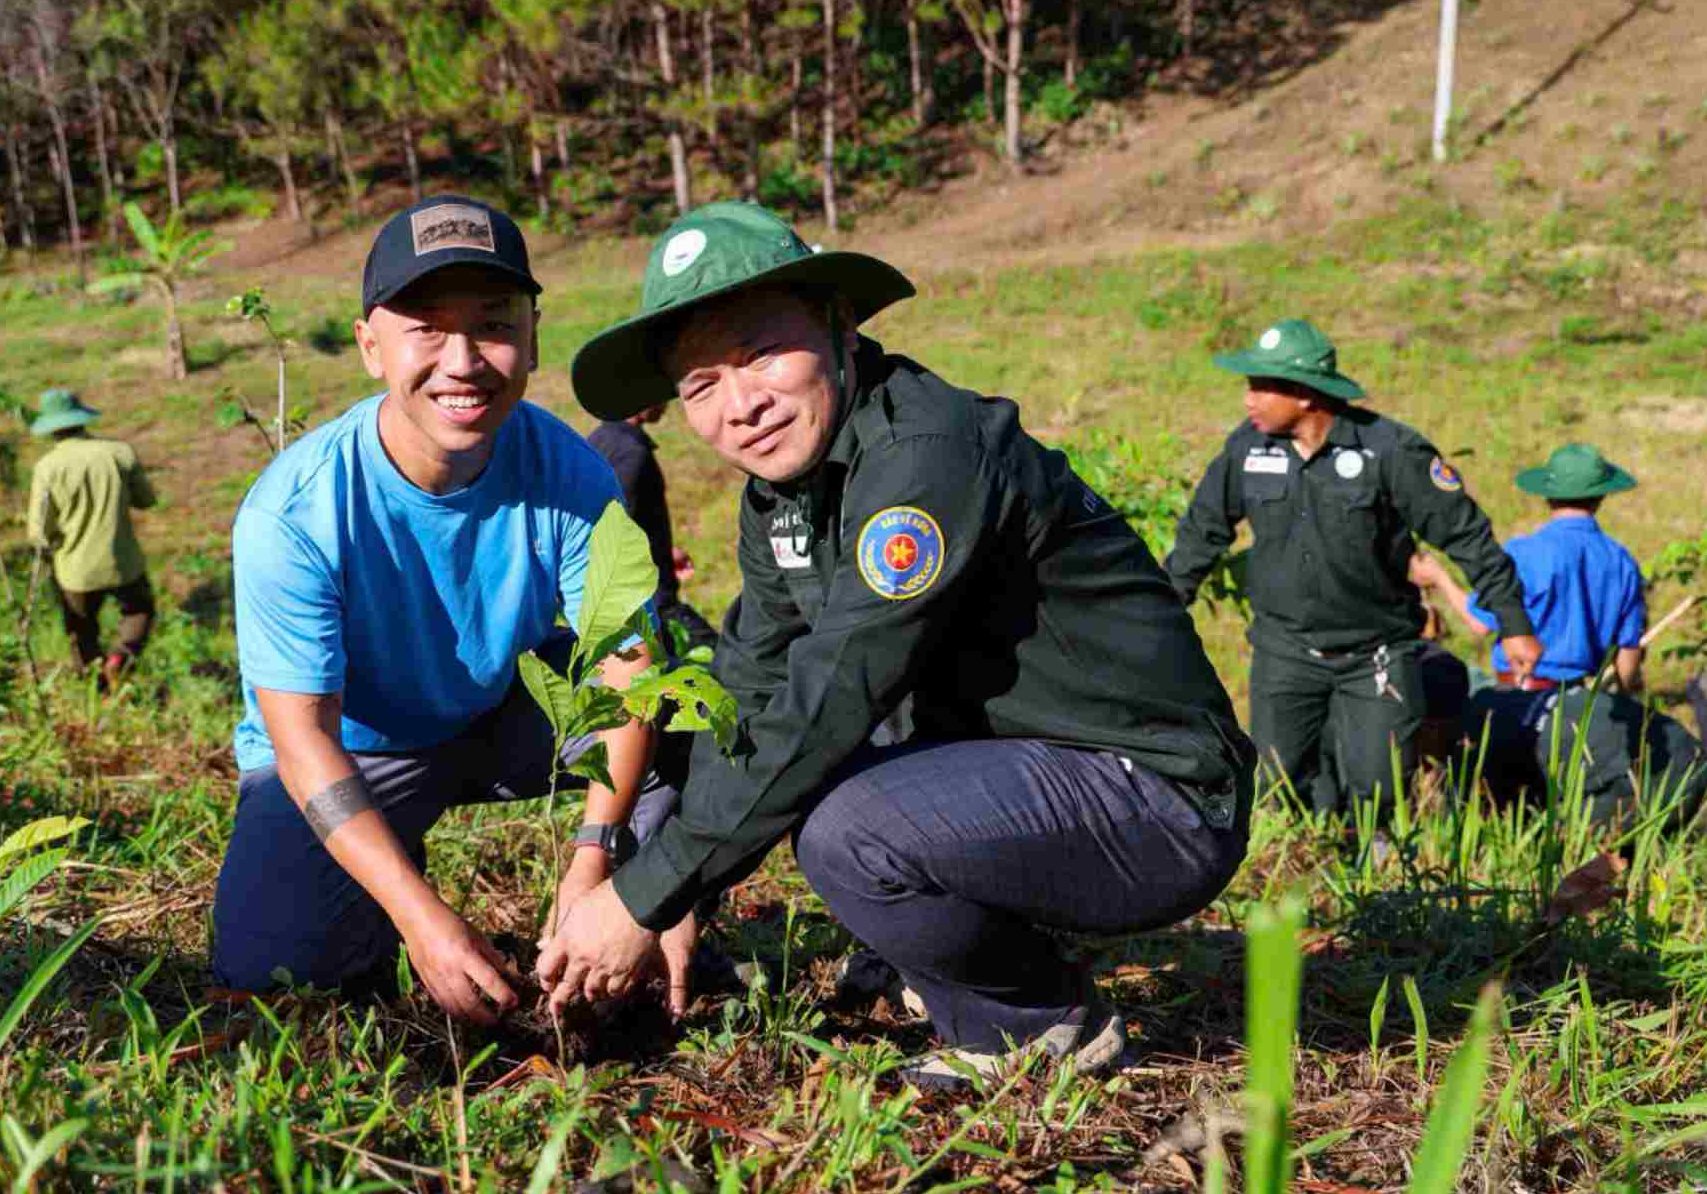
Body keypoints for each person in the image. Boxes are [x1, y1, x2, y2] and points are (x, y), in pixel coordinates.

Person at [540, 201, 1255, 1092]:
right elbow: (751, 693)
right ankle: (957, 964)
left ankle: (1036, 1025)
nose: (742, 405)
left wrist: (644, 902)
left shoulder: (926, 455)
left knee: (847, 823)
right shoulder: (783, 498)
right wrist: (673, 886)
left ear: (840, 327)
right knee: (782, 760)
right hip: (1024, 772)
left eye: (763, 353)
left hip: (1155, 797)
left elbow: (831, 696)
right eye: (700, 386)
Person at [210, 195, 688, 1023]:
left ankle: (659, 914)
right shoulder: (296, 511)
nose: (462, 360)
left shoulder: (572, 474)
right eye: (424, 328)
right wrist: (418, 914)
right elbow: (303, 737)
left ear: (533, 336)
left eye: (493, 325)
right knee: (271, 968)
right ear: (371, 347)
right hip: (354, 749)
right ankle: (385, 886)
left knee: (689, 717)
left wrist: (595, 865)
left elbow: (630, 677)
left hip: (502, 718)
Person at [1165, 319, 1544, 815]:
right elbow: (1201, 535)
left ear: (1303, 394)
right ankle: (1297, 878)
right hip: (1285, 652)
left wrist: (1513, 624)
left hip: (1377, 655)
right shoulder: (1247, 449)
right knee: (1278, 789)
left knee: (1379, 791)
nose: (1248, 399)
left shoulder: (1390, 451)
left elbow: (1467, 536)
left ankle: (1375, 878)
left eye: (1262, 387)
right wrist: (1162, 612)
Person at [1416, 444, 1707, 827]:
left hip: (1518, 700)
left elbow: (1479, 621)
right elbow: (1627, 666)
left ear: (1547, 495)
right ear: (1602, 496)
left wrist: (1439, 579)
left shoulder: (1525, 552)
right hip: (1579, 704)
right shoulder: (1620, 560)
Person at [26, 388, 158, 689]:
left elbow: (39, 533)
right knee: (140, 611)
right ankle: (119, 659)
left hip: (75, 570)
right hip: (123, 561)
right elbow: (146, 500)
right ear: (81, 418)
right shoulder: (119, 453)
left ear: (50, 428)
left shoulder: (47, 467)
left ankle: (95, 691)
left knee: (81, 632)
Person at [586, 403, 718, 656]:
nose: (667, 403)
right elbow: (615, 531)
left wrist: (665, 551)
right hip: (651, 605)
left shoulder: (598, 440)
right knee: (725, 667)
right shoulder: (633, 455)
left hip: (631, 601)